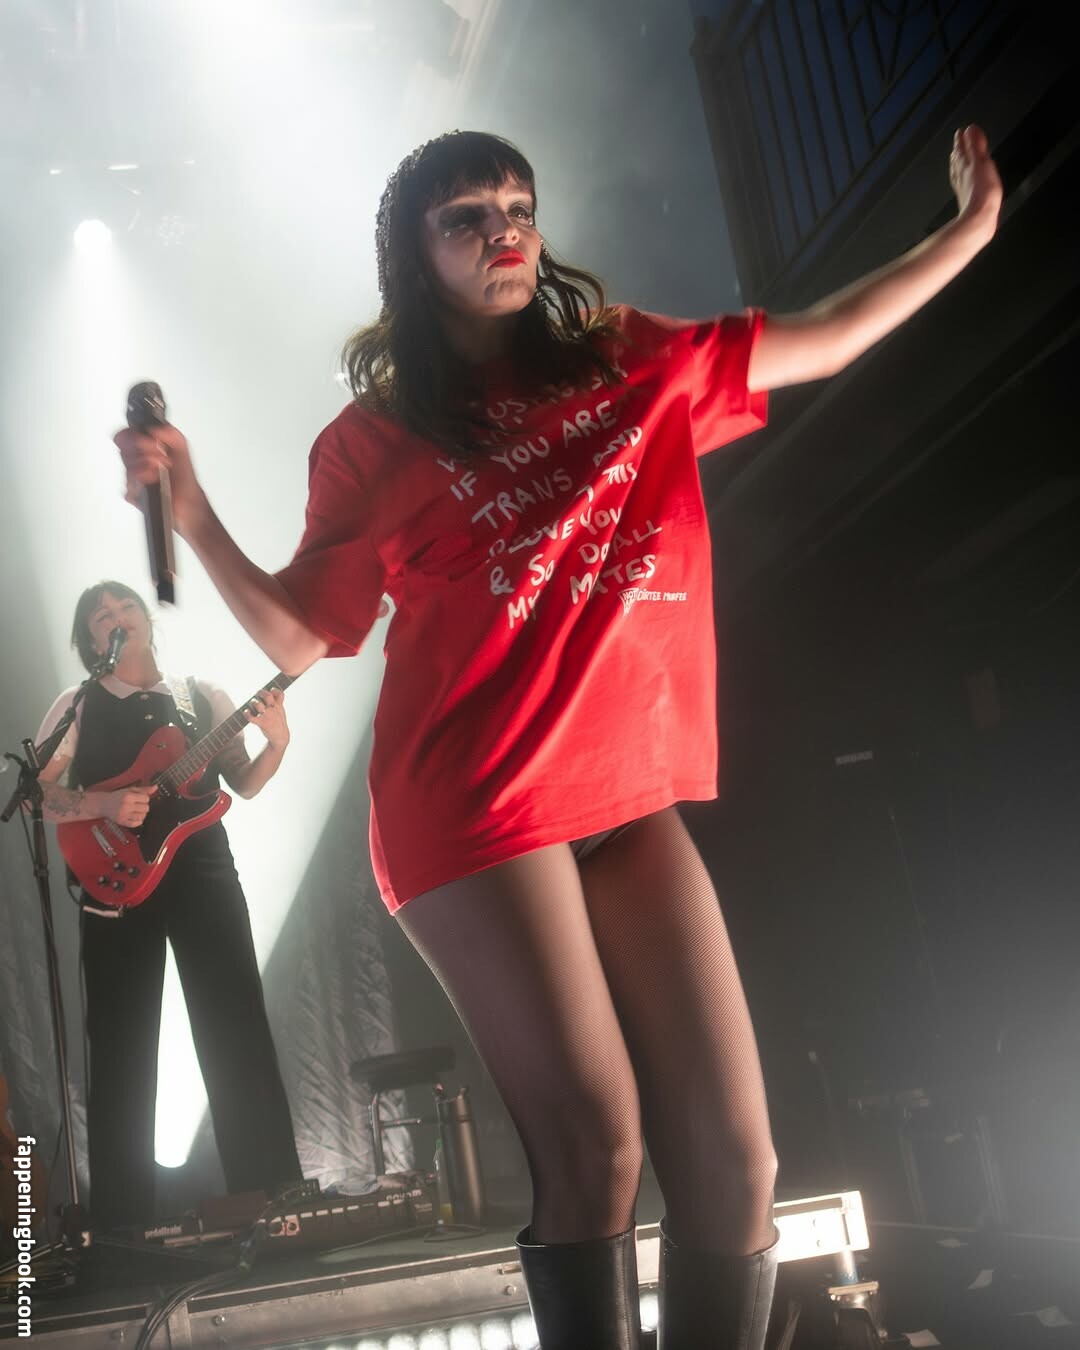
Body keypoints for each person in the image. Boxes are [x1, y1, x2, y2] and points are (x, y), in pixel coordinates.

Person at [116, 127, 1001, 1347]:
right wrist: (193, 511)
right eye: (466, 217)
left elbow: (828, 332)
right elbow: (306, 633)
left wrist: (969, 231)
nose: (504, 230)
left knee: (739, 1164)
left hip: (624, 797)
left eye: (517, 205)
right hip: (474, 805)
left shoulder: (629, 359)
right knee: (598, 1146)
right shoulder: (374, 440)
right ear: (414, 257)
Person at [35, 580, 302, 1232]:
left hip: (203, 870)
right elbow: (41, 793)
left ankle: (276, 1200)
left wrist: (277, 743)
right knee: (121, 1042)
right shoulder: (76, 704)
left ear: (147, 617)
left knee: (235, 1023)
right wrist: (103, 803)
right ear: (89, 639)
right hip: (114, 876)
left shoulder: (201, 695)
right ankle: (121, 1226)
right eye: (100, 615)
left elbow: (242, 783)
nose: (115, 617)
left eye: (125, 605)